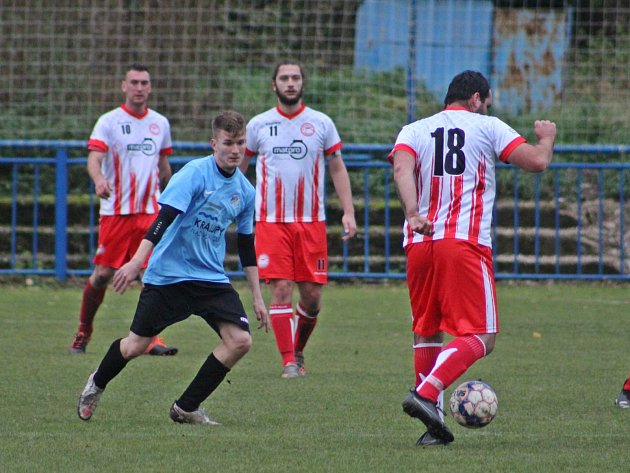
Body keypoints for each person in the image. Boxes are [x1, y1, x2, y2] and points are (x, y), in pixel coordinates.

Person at [390, 70, 556, 446]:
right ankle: (427, 393)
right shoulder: (488, 126)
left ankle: (432, 427)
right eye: (488, 101)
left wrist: (414, 213)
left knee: (427, 329)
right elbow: (535, 162)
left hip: (419, 242)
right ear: (478, 98)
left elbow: (401, 168)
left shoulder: (413, 129)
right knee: (482, 335)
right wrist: (546, 138)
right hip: (463, 242)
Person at [77, 110, 269, 425]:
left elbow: (247, 246)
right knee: (135, 346)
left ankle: (186, 407)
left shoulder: (245, 192)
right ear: (214, 144)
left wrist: (258, 297)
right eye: (228, 143)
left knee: (240, 341)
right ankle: (97, 382)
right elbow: (162, 221)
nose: (235, 150)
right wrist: (137, 261)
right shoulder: (193, 174)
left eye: (240, 143)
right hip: (169, 277)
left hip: (210, 279)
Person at [240, 60, 357, 379]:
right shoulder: (259, 125)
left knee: (313, 297)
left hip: (311, 223)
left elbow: (336, 167)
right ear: (273, 85)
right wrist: (232, 204)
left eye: (295, 78)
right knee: (281, 289)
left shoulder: (321, 123)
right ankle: (288, 361)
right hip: (271, 222)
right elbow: (241, 169)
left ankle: (299, 348)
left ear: (303, 83)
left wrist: (348, 211)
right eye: (284, 78)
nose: (290, 83)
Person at [69, 63, 177, 356]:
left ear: (150, 88)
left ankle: (151, 339)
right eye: (134, 82)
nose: (139, 88)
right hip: (116, 212)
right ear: (124, 86)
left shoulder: (160, 123)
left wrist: (171, 198)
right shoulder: (109, 121)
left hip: (150, 213)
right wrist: (98, 178)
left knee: (153, 275)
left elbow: (164, 167)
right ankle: (83, 332)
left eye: (144, 83)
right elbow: (94, 158)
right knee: (102, 274)